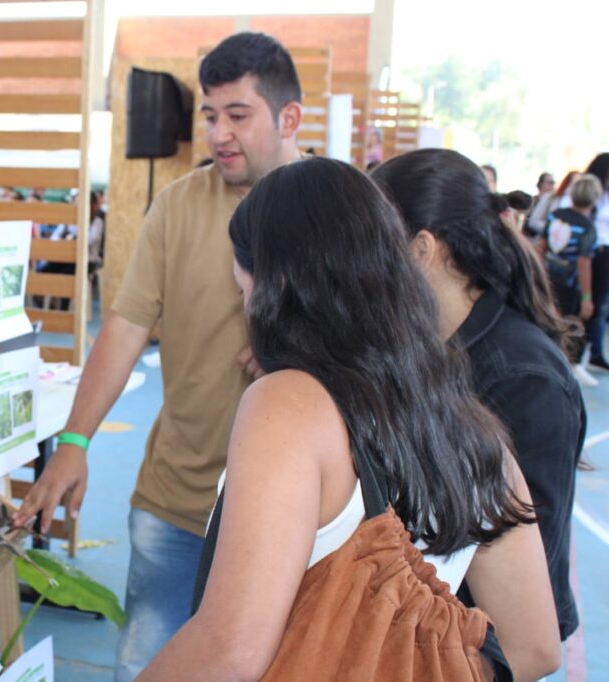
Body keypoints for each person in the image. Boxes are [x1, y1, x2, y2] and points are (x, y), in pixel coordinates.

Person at [141, 156, 560, 681]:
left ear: (278, 284)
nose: (245, 307)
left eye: (243, 288)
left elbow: (231, 649)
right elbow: (536, 647)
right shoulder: (474, 429)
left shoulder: (290, 405)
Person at [12, 31, 303, 680]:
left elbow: (379, 345)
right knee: (147, 666)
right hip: (175, 500)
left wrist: (299, 357)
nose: (219, 134)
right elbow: (124, 326)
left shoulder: (331, 209)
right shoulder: (177, 206)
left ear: (289, 119)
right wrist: (75, 442)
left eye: (238, 115)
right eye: (209, 115)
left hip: (292, 518)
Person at [372, 149, 586, 647]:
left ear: (421, 248)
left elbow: (525, 583)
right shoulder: (432, 348)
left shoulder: (524, 380)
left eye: (376, 247)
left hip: (486, 650)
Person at [537, 174, 602, 386]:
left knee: (548, 321)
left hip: (549, 279)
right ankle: (569, 366)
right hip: (571, 285)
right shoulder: (587, 228)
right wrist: (587, 297)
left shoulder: (556, 215)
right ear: (595, 198)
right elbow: (584, 264)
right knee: (571, 326)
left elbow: (542, 247)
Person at [581, 153, 609, 372]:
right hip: (589, 254)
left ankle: (592, 353)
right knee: (586, 304)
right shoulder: (586, 194)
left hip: (602, 255)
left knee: (598, 307)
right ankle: (578, 355)